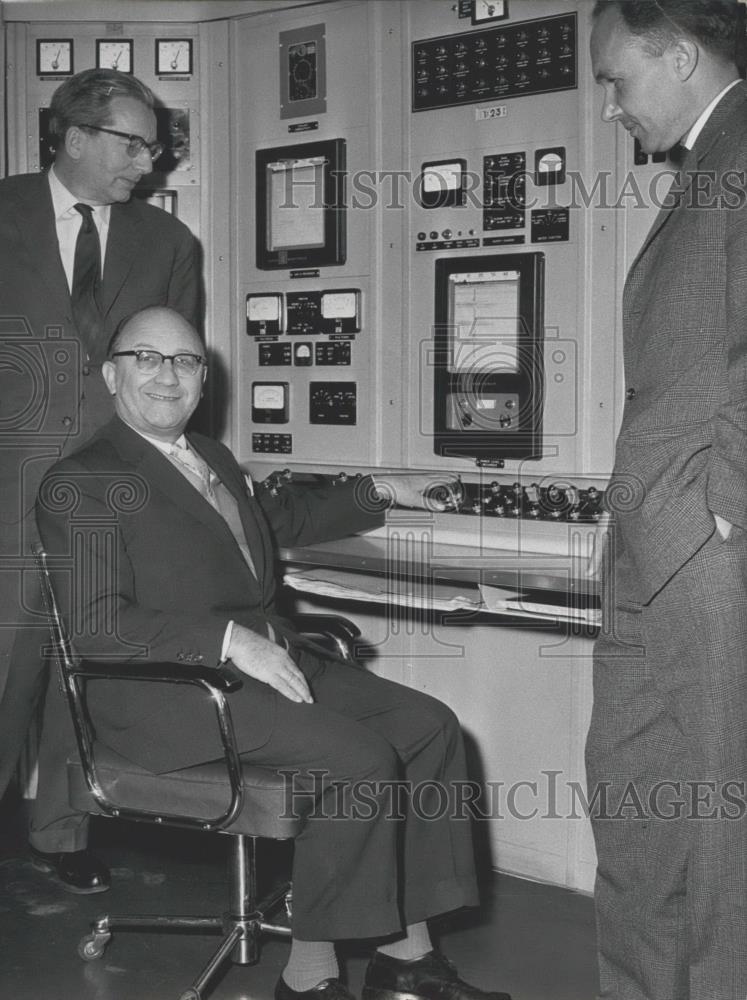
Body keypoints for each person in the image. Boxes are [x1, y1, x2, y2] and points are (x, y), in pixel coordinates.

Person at [35, 305, 512, 1000]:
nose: (168, 375)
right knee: (358, 759)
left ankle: (406, 959)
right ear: (112, 374)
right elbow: (95, 625)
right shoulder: (82, 479)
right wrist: (229, 642)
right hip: (163, 693)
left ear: (204, 379)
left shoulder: (212, 457)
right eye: (148, 358)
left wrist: (381, 491)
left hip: (252, 666)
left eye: (187, 361)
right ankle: (308, 977)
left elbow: (278, 520)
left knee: (428, 727)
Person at [0, 68, 201, 892]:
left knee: (79, 658)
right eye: (132, 143)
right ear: (74, 136)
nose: (147, 165)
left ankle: (59, 835)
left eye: (154, 148)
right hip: (9, 487)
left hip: (110, 495)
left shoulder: (168, 245)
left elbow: (177, 381)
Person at [588, 3, 747, 998]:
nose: (609, 107)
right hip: (655, 536)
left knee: (719, 828)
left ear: (682, 55)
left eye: (616, 79)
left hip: (705, 539)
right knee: (636, 790)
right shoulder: (708, 163)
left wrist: (726, 502)